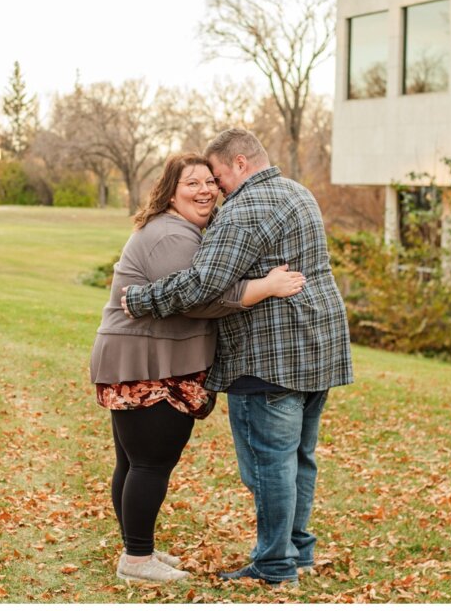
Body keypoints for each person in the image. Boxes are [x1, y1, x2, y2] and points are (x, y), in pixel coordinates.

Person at [122, 129, 353, 586]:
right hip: (319, 349)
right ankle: (298, 552)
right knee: (300, 458)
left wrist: (141, 299)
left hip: (267, 357)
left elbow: (203, 284)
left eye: (219, 175)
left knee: (269, 466)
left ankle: (273, 565)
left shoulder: (246, 209)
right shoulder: (297, 193)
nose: (217, 187)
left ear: (241, 164)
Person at [91, 153, 306, 584]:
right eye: (192, 183)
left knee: (134, 462)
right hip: (148, 363)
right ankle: (136, 559)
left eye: (210, 181)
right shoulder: (171, 235)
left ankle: (137, 547)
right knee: (151, 461)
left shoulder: (180, 230)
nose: (205, 190)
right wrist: (265, 287)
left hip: (145, 358)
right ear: (170, 191)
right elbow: (199, 297)